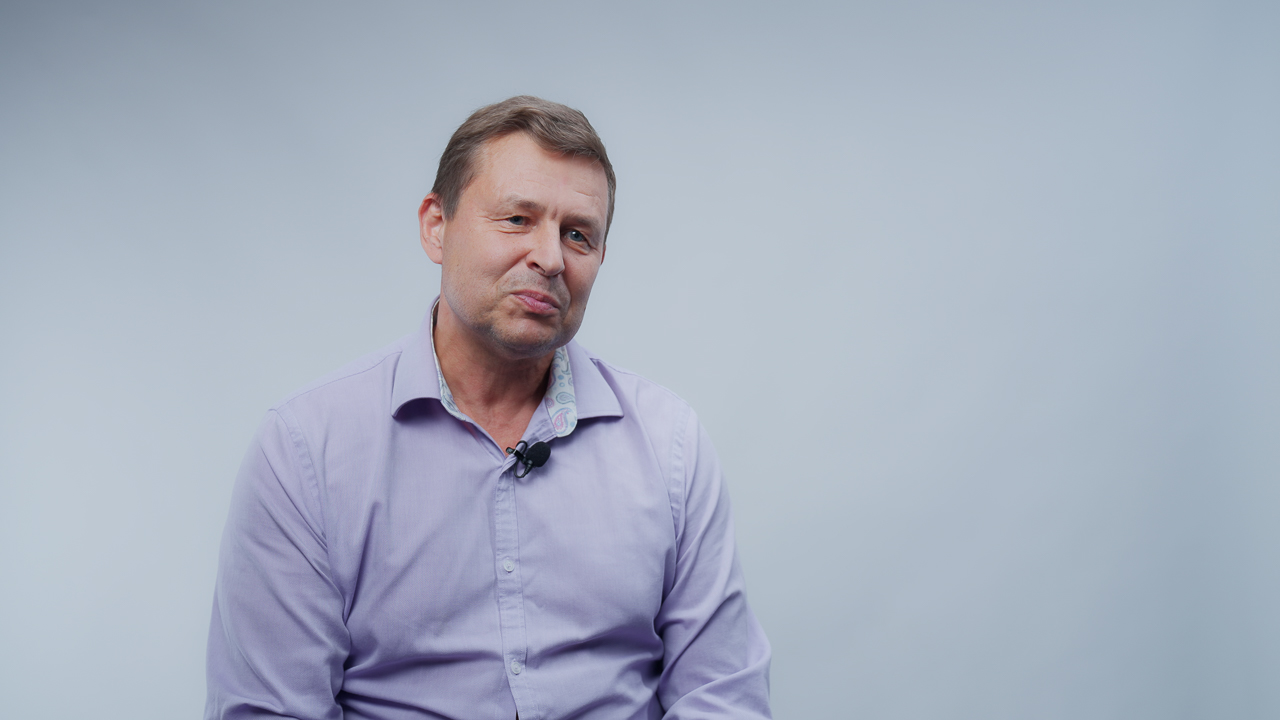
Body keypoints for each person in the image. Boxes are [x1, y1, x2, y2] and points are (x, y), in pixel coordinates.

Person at [205, 96, 771, 720]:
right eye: (517, 219)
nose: (550, 258)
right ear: (436, 225)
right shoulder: (305, 450)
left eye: (577, 235)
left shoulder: (671, 445)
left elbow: (722, 697)